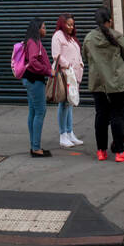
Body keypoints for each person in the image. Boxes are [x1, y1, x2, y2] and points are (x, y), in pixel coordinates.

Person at [82, 7, 124, 162]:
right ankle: (119, 152)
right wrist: (122, 70)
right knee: (117, 116)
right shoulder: (117, 36)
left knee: (101, 116)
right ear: (110, 20)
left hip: (98, 83)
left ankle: (101, 151)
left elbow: (85, 57)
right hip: (117, 83)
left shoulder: (89, 38)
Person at [20, 17, 53, 157]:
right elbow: (33, 62)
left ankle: (34, 145)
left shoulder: (31, 41)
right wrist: (48, 71)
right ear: (37, 29)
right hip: (34, 81)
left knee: (33, 112)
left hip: (29, 79)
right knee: (40, 111)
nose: (45, 30)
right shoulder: (33, 43)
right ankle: (36, 148)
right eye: (44, 27)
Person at [51, 13, 85, 147]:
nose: (71, 27)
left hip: (74, 75)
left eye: (72, 24)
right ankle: (63, 134)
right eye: (68, 24)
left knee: (70, 103)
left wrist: (80, 63)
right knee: (64, 104)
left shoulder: (71, 38)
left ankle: (70, 132)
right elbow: (56, 55)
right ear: (62, 24)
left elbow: (77, 53)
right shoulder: (58, 36)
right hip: (65, 74)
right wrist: (68, 65)